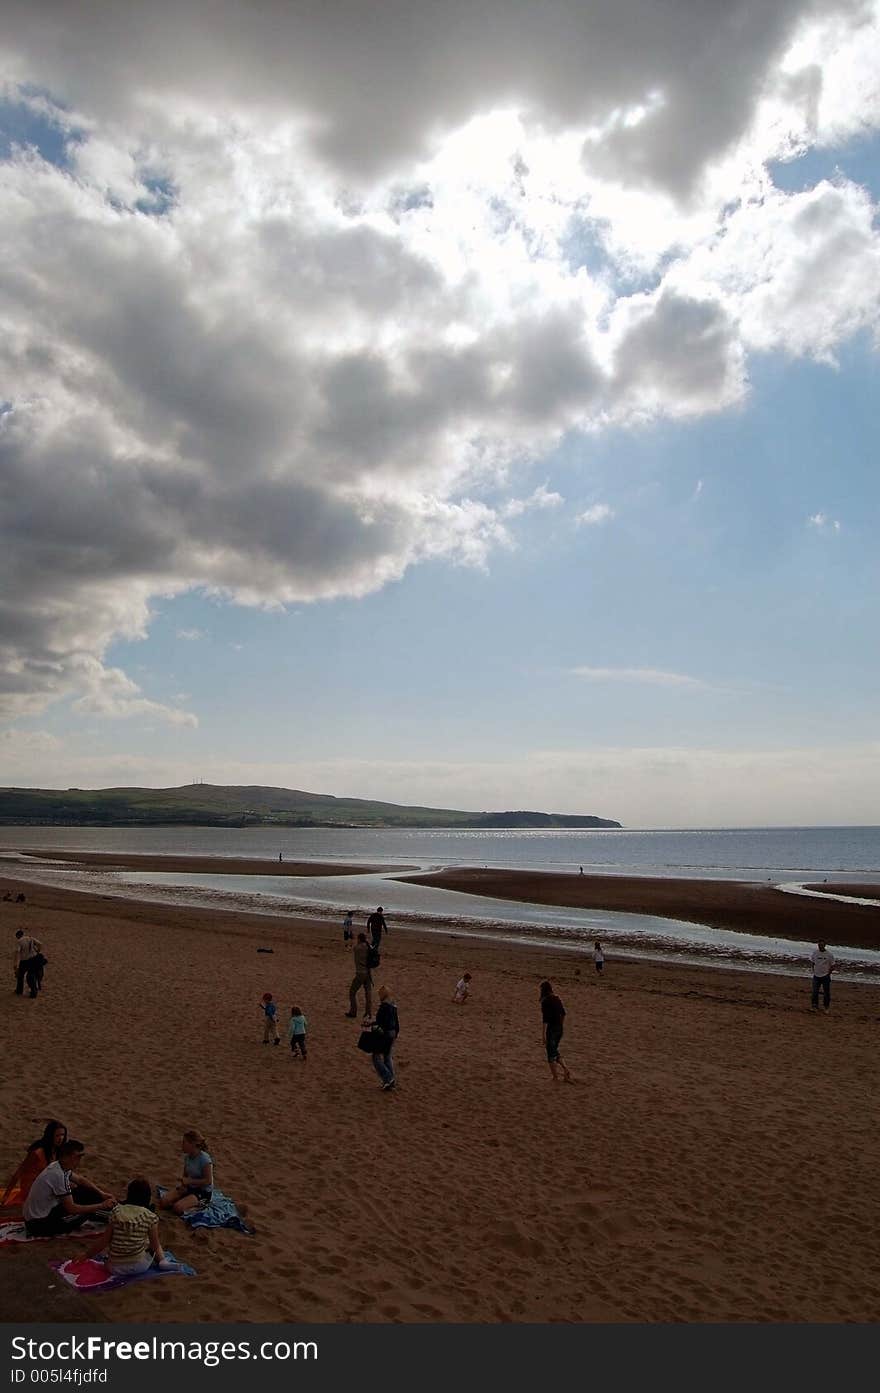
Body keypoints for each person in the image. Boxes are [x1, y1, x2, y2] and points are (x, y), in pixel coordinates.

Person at [78, 1179, 175, 1275]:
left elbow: (104, 1241)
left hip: (113, 1267)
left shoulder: (116, 1212)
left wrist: (86, 1255)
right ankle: (163, 1261)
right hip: (139, 1267)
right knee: (149, 1242)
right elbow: (155, 1245)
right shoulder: (150, 1217)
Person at [22, 1140, 116, 1236]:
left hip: (43, 1213)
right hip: (38, 1224)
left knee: (83, 1191)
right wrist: (101, 1205)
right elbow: (72, 1209)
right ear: (66, 1157)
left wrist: (101, 1193)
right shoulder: (58, 1175)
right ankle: (115, 1217)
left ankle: (113, 1210)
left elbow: (80, 1180)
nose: (79, 1161)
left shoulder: (58, 1166)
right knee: (88, 1211)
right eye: (77, 1157)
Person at [1, 1120, 68, 1208]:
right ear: (50, 1136)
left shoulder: (58, 1151)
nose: (61, 1138)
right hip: (32, 1186)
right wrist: (6, 1195)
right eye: (57, 1135)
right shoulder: (37, 1153)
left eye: (62, 1135)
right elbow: (19, 1172)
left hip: (45, 1183)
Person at [158, 1131, 214, 1214]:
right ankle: (186, 1202)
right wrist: (183, 1185)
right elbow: (185, 1175)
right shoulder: (187, 1157)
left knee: (177, 1208)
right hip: (189, 1187)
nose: (182, 1145)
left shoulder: (205, 1160)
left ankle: (200, 1206)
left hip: (202, 1191)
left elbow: (208, 1181)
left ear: (193, 1144)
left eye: (184, 1142)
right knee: (164, 1201)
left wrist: (190, 1181)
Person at [540, 979, 573, 1083]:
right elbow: (563, 1014)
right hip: (559, 1028)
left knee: (550, 1053)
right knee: (554, 1050)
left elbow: (545, 1019)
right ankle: (565, 1069)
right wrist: (561, 1025)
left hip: (551, 1029)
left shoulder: (545, 1001)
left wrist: (543, 1035)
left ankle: (555, 1077)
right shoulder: (557, 999)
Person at [372, 985, 399, 1091]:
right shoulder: (393, 1006)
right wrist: (396, 1033)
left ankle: (388, 1078)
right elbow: (396, 1023)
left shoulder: (384, 1007)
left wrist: (372, 1025)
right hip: (392, 1033)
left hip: (385, 1033)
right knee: (387, 1056)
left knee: (376, 1056)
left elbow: (381, 1023)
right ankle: (391, 1081)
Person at [345, 933, 373, 1019]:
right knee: (368, 993)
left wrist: (352, 940)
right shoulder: (368, 947)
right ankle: (368, 1013)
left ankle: (353, 1011)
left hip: (360, 973)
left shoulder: (358, 948)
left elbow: (351, 948)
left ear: (359, 939)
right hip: (368, 972)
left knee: (352, 992)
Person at [13, 929, 42, 997]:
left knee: (20, 975)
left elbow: (17, 952)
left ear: (18, 936)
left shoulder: (19, 941)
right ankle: (33, 992)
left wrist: (15, 963)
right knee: (31, 976)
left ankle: (19, 990)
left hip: (24, 961)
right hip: (33, 959)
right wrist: (38, 951)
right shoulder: (30, 938)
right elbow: (40, 944)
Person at [810, 942, 835, 1012]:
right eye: (819, 945)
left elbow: (833, 965)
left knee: (826, 992)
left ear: (824, 945)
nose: (820, 946)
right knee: (815, 991)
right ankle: (814, 1006)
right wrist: (814, 971)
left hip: (825, 976)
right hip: (816, 975)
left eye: (822, 945)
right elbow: (813, 963)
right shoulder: (815, 953)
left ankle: (826, 1007)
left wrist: (828, 974)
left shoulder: (829, 955)